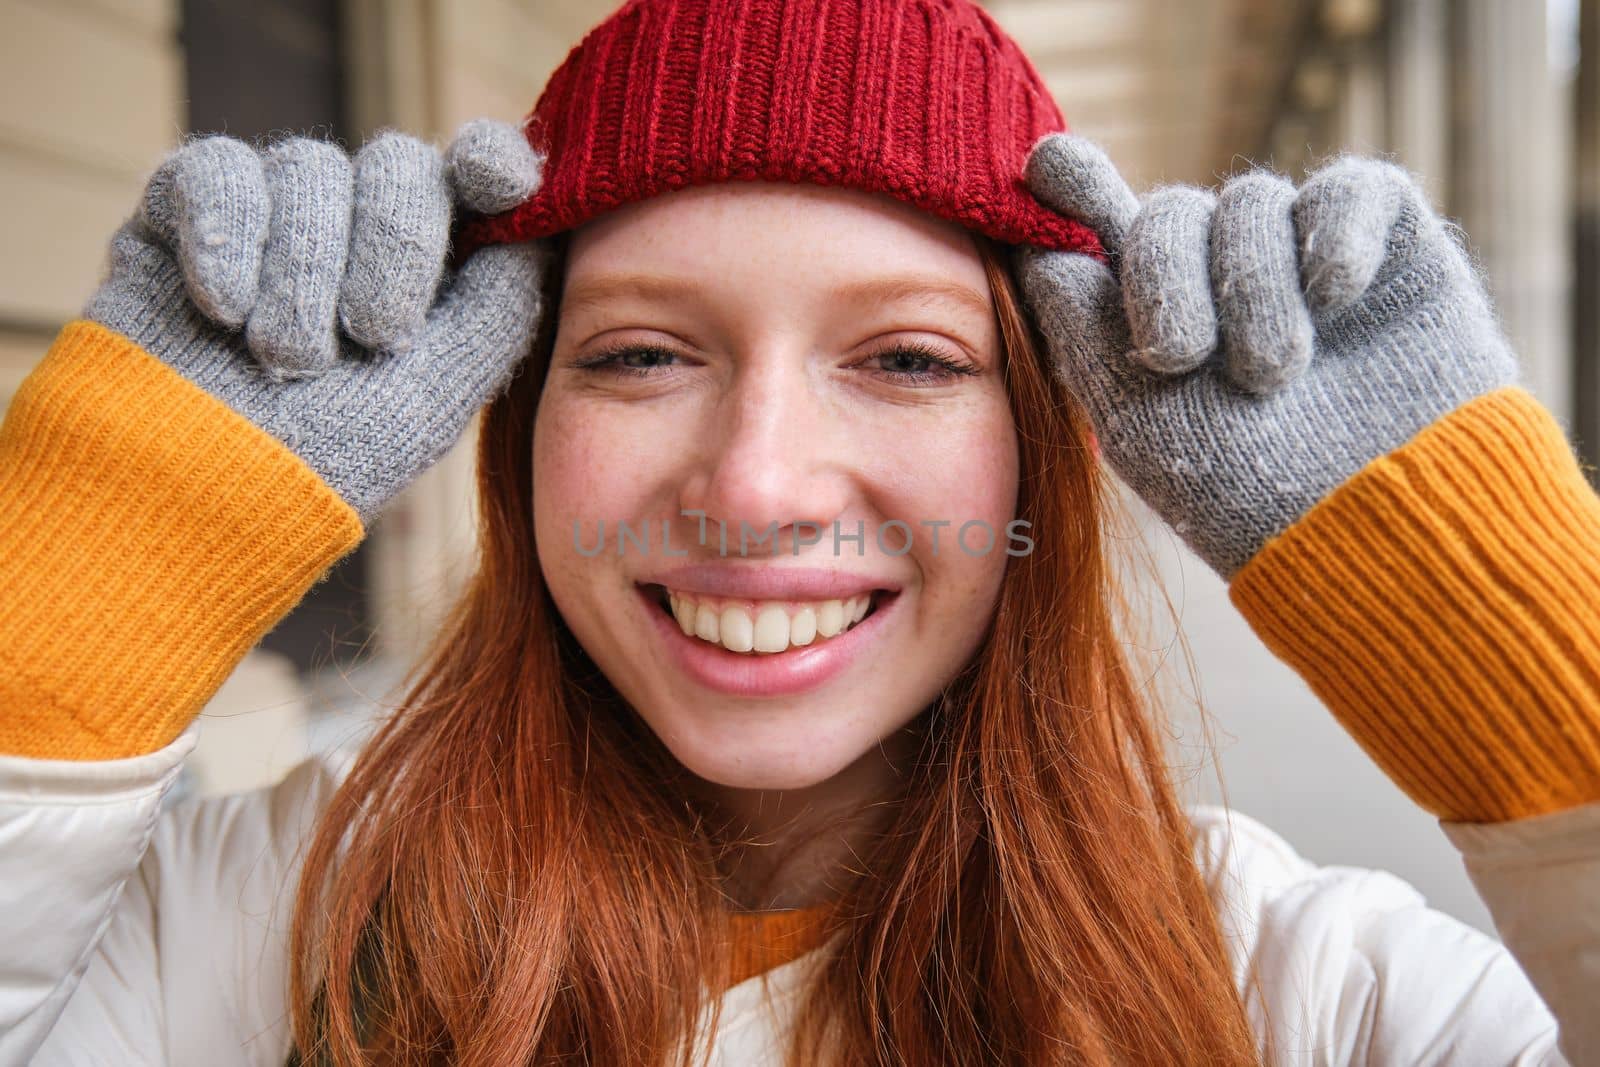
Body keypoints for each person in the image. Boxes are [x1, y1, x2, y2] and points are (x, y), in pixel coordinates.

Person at [2, 0, 1598, 1063]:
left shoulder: (1313, 996)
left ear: (1050, 448)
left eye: (906, 360)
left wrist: (1506, 638)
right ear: (510, 424)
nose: (758, 488)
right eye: (638, 355)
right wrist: (96, 542)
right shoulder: (254, 924)